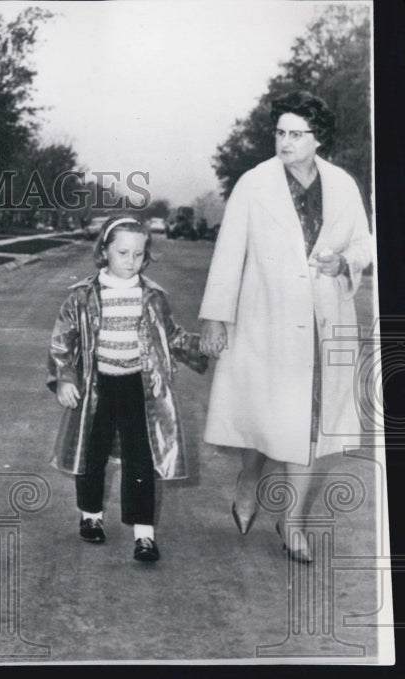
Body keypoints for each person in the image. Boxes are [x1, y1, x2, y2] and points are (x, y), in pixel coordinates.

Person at [199, 91, 372, 563]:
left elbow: (364, 243)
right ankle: (250, 479)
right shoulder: (254, 184)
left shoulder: (343, 185)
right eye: (280, 132)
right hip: (266, 317)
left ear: (319, 139)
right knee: (265, 414)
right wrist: (216, 318)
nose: (286, 141)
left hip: (323, 320)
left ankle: (291, 521)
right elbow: (228, 254)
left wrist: (344, 262)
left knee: (312, 420)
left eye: (297, 133)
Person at [47, 216, 207, 562]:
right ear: (104, 251)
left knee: (141, 459)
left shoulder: (152, 297)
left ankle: (144, 534)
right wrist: (65, 377)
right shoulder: (83, 296)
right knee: (92, 454)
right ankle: (91, 516)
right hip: (97, 388)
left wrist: (201, 346)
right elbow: (63, 341)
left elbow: (172, 335)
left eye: (138, 254)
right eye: (122, 252)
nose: (130, 260)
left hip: (140, 387)